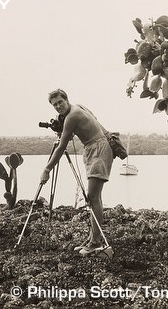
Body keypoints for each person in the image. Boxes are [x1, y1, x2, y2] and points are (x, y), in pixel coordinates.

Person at [40, 89, 113, 255]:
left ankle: (96, 242)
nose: (58, 106)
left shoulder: (71, 116)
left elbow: (61, 147)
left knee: (93, 197)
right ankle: (92, 239)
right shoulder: (78, 107)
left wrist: (47, 169)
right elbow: (91, 121)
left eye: (60, 102)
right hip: (96, 148)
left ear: (66, 99)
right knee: (94, 197)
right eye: (55, 105)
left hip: (98, 150)